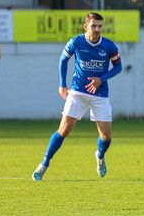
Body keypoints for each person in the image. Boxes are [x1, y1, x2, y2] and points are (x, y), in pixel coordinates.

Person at [32, 12, 122, 181]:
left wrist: (100, 80)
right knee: (63, 130)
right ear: (86, 26)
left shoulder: (109, 46)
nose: (97, 29)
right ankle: (44, 163)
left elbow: (118, 67)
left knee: (106, 137)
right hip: (78, 91)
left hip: (100, 94)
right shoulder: (76, 42)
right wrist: (62, 84)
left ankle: (100, 155)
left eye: (100, 26)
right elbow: (62, 60)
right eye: (94, 25)